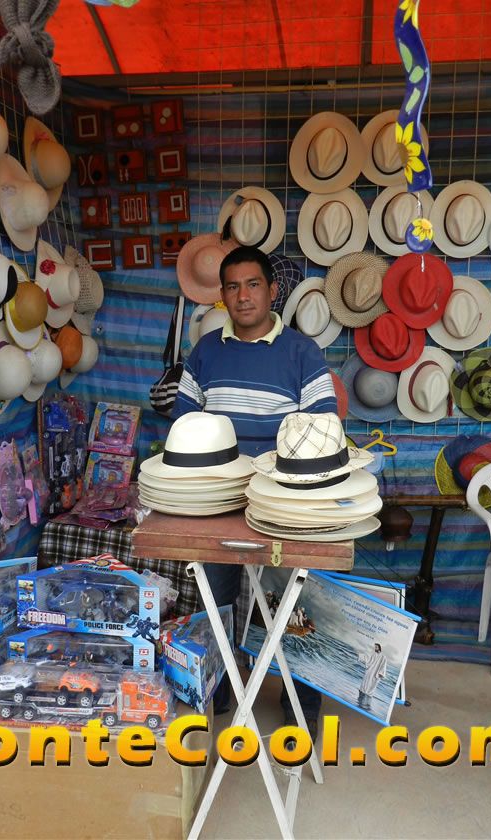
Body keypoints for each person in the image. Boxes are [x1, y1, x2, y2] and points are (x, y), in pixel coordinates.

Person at [172, 244, 338, 741]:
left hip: (285, 495)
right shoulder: (206, 351)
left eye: (252, 285)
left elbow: (323, 425)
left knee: (294, 598)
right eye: (232, 286)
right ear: (221, 295)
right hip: (216, 495)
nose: (243, 296)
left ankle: (300, 701)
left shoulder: (302, 352)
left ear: (272, 290)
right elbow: (184, 421)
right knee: (214, 594)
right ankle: (220, 687)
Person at [357, 643, 388, 709]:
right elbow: (368, 659)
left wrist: (381, 673)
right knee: (365, 683)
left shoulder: (383, 657)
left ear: (379, 648)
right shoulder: (373, 654)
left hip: (376, 674)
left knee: (372, 685)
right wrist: (360, 656)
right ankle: (362, 695)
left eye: (376, 647)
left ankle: (367, 702)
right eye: (375, 647)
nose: (375, 648)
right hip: (369, 671)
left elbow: (383, 665)